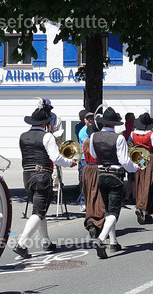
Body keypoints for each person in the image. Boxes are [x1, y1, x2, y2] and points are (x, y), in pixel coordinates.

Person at [13, 106, 76, 259]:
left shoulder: (22, 136)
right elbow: (56, 158)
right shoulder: (47, 137)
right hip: (42, 175)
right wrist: (70, 162)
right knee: (38, 212)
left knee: (39, 209)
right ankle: (21, 244)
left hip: (27, 175)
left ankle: (46, 242)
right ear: (44, 123)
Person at [89, 106, 140, 258]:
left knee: (108, 209)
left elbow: (92, 153)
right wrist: (135, 168)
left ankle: (113, 242)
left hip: (100, 173)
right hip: (115, 174)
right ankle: (100, 239)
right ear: (113, 124)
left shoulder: (94, 137)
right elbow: (125, 160)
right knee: (114, 211)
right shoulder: (119, 138)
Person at [131, 112, 153, 225]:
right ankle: (144, 209)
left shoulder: (133, 133)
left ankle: (141, 207)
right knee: (149, 184)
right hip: (149, 158)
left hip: (137, 157)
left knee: (139, 183)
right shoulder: (152, 134)